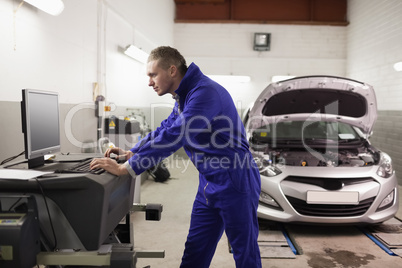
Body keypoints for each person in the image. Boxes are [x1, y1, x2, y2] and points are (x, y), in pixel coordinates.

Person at [90, 46, 262, 268]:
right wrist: (134, 152)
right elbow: (166, 127)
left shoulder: (204, 94)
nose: (149, 82)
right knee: (195, 252)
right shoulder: (184, 96)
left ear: (172, 70)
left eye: (153, 74)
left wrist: (128, 168)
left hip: (235, 180)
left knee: (244, 253)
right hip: (208, 182)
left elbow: (177, 134)